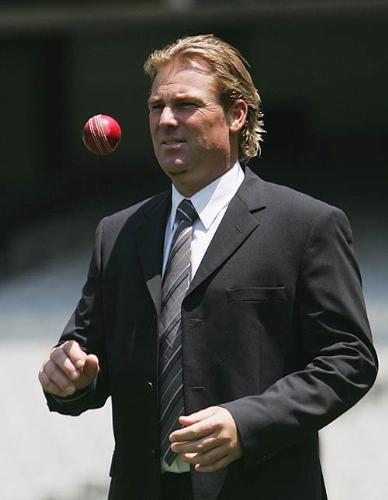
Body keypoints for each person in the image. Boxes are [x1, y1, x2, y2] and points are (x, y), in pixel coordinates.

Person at [39, 34, 378, 500]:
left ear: (236, 115)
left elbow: (349, 361)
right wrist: (69, 377)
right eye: (156, 106)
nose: (165, 121)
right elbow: (86, 358)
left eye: (186, 105)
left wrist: (246, 423)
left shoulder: (306, 225)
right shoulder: (117, 233)